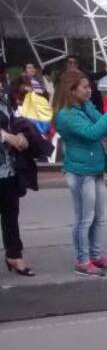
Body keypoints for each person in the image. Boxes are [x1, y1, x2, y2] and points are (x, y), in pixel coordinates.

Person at [53, 69, 107, 277]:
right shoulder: (66, 114)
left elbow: (106, 126)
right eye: (85, 87)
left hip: (94, 168)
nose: (89, 91)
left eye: (89, 87)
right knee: (84, 218)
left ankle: (95, 256)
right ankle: (82, 260)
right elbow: (93, 132)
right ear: (72, 89)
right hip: (79, 171)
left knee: (99, 216)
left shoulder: (85, 106)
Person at [1, 93, 34, 276]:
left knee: (11, 214)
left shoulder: (5, 98)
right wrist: (7, 137)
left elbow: (14, 120)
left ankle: (14, 254)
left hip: (7, 168)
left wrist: (20, 134)